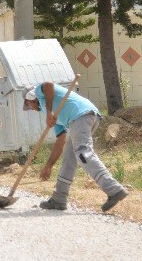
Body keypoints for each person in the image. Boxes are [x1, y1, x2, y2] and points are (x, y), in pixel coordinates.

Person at [23, 82, 129, 212]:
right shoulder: (51, 114)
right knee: (69, 157)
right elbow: (61, 140)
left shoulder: (40, 92)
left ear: (30, 98)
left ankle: (114, 189)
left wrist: (49, 113)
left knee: (83, 153)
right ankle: (59, 198)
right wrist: (49, 165)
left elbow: (48, 85)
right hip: (81, 119)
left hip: (81, 115)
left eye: (28, 105)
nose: (31, 109)